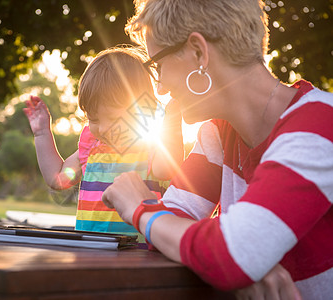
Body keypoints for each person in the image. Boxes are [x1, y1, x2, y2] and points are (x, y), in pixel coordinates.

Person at [101, 0, 332, 299]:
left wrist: (141, 210)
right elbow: (172, 222)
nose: (160, 88)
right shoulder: (217, 133)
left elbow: (230, 253)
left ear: (198, 52)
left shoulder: (320, 124)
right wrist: (237, 257)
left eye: (158, 65)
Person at [24, 46, 184, 240]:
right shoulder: (92, 148)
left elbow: (165, 169)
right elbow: (57, 178)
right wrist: (42, 133)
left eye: (113, 118)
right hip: (91, 250)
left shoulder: (149, 146)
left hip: (138, 254)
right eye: (94, 119)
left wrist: (173, 120)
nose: (103, 129)